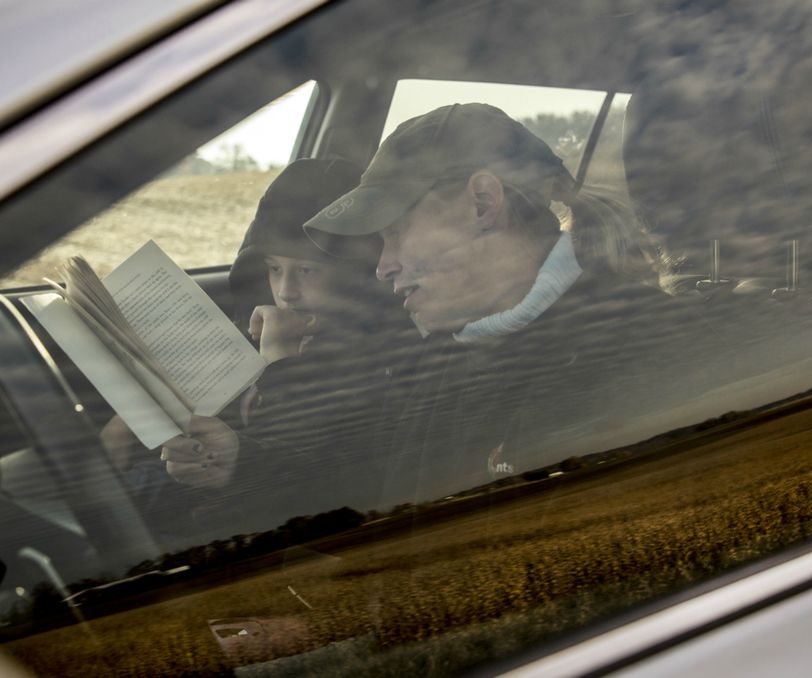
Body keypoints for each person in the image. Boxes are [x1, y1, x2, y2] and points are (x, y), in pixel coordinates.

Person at [298, 102, 671, 507]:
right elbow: (364, 482)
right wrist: (239, 457)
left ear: (483, 202)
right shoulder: (440, 354)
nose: (382, 268)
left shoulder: (638, 351)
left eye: (396, 233)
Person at [109, 158, 416, 535]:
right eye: (274, 269)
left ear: (355, 276)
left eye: (307, 271)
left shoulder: (380, 360)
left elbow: (298, 478)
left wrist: (280, 362)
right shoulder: (258, 327)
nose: (286, 292)